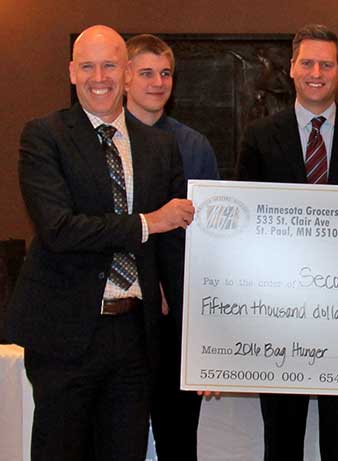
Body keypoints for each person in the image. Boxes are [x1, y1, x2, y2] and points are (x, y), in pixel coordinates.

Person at [5, 25, 194, 461]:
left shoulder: (159, 147)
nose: (99, 77)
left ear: (126, 72)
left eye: (110, 65)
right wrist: (147, 223)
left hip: (133, 336)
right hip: (63, 333)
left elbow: (173, 251)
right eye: (87, 66)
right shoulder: (44, 136)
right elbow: (59, 228)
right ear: (72, 72)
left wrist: (198, 341)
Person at [236, 24, 338, 461]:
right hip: (279, 312)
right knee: (282, 439)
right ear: (291, 69)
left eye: (326, 64)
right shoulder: (259, 136)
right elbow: (243, 226)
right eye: (307, 62)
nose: (316, 72)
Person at [124, 33, 219, 461]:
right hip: (119, 318)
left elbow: (209, 240)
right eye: (146, 73)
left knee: (178, 438)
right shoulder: (102, 143)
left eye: (165, 73)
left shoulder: (194, 145)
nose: (158, 82)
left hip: (176, 320)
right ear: (124, 78)